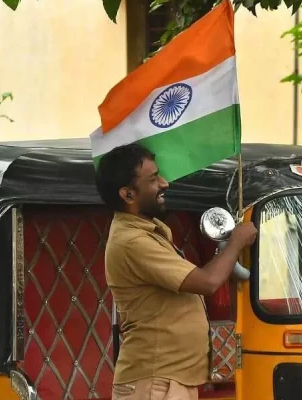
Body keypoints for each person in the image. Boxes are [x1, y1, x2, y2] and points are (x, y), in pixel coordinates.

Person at [94, 143, 257, 400]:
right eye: (153, 179)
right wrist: (236, 242)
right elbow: (208, 282)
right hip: (154, 385)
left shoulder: (149, 231)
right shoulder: (132, 242)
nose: (165, 183)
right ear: (127, 195)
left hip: (168, 382)